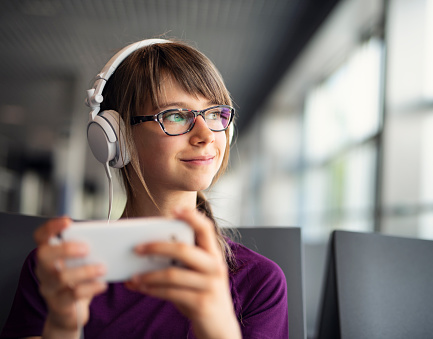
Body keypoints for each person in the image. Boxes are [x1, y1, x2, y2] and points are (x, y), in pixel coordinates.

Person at [1, 39, 288, 339]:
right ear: (118, 137)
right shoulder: (62, 270)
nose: (206, 135)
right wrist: (61, 327)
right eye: (176, 115)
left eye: (215, 114)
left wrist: (216, 326)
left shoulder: (259, 283)